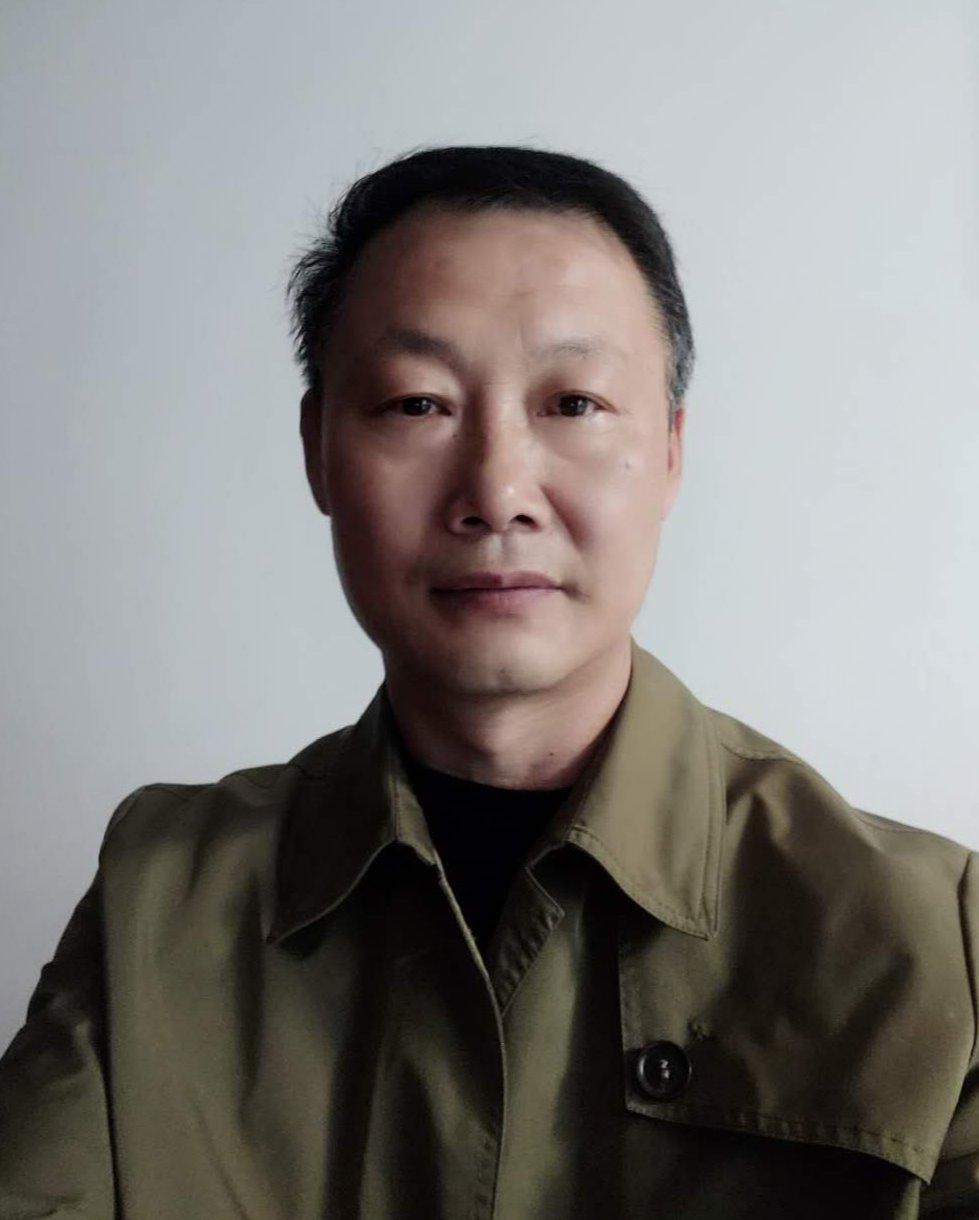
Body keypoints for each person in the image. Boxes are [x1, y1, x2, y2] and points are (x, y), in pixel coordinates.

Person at [0, 144, 976, 1220]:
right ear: (317, 450)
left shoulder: (935, 939)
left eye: (574, 402)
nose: (498, 489)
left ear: (669, 452)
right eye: (416, 404)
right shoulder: (159, 899)